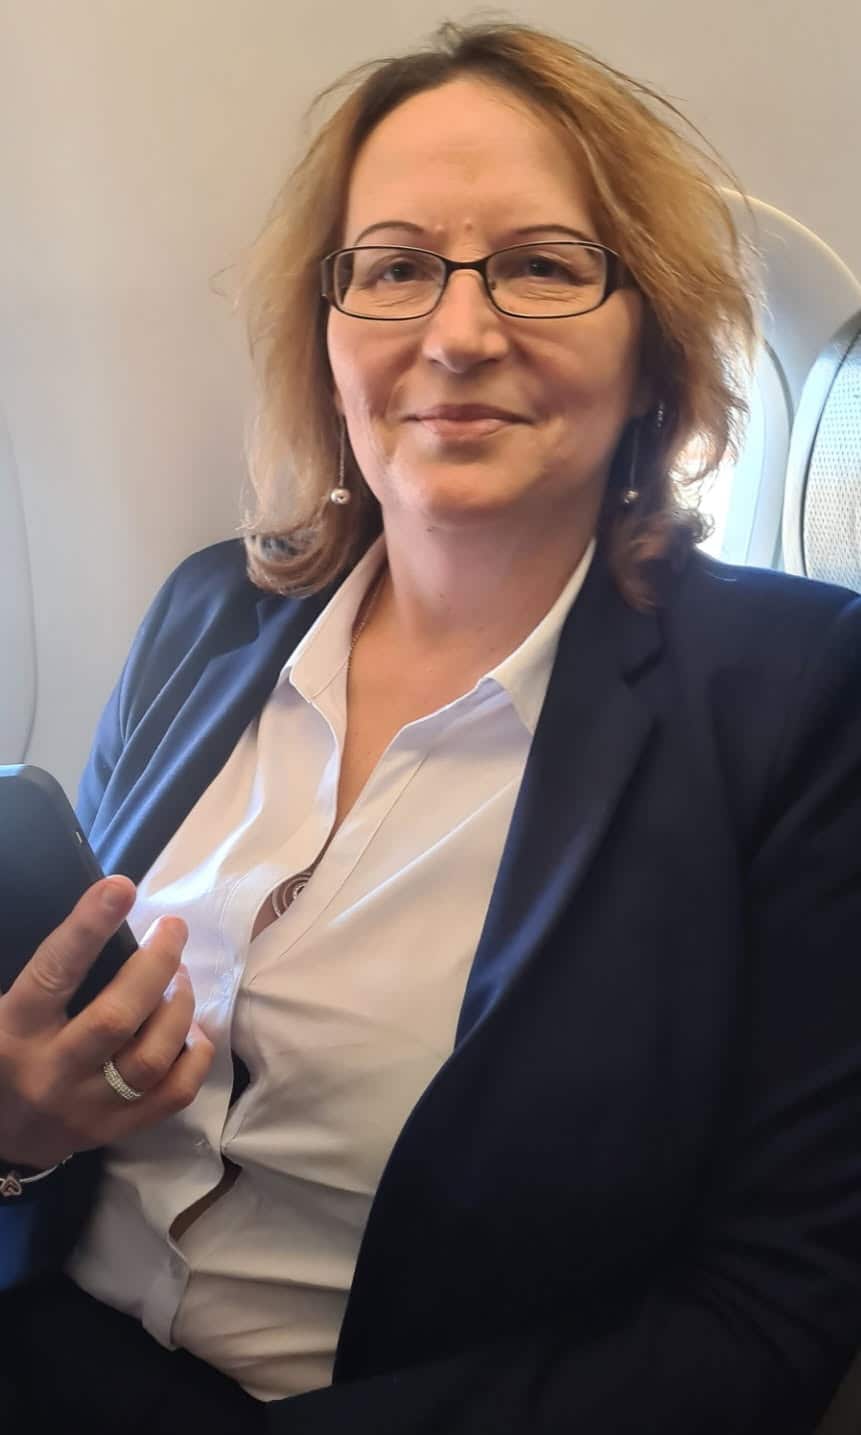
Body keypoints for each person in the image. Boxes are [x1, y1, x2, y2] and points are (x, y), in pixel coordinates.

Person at [1, 19, 860, 1435]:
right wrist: (16, 1139)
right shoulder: (208, 613)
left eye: (539, 264)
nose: (457, 336)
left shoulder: (795, 699)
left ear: (649, 342)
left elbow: (767, 1306)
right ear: (327, 337)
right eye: (393, 269)